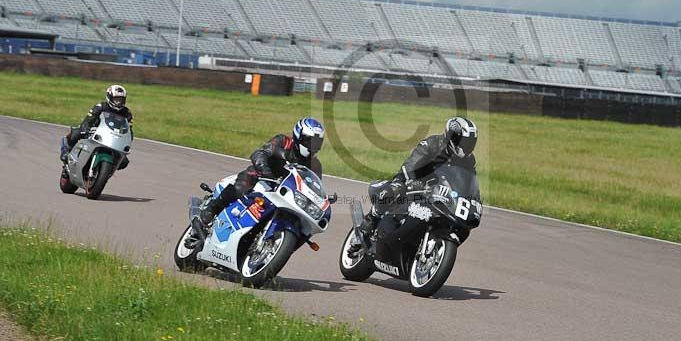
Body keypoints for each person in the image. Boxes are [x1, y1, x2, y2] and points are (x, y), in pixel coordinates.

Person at [192, 117, 325, 236]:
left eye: (316, 143)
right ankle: (209, 212)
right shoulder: (283, 141)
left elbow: (313, 185)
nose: (312, 146)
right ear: (298, 135)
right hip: (260, 176)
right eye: (309, 141)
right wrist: (265, 171)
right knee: (239, 189)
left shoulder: (315, 165)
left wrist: (322, 198)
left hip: (284, 192)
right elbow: (259, 153)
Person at [358, 117, 478, 237]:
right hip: (414, 182)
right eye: (463, 141)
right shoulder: (432, 143)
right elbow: (412, 162)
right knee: (394, 189)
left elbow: (468, 182)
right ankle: (372, 218)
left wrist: (473, 198)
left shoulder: (469, 160)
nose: (466, 146)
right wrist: (411, 179)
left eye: (469, 143)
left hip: (439, 192)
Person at [61, 85, 133, 165]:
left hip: (112, 138)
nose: (119, 102)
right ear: (109, 97)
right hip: (95, 132)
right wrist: (86, 128)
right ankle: (66, 151)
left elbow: (129, 130)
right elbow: (88, 120)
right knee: (76, 133)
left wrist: (127, 141)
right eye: (116, 100)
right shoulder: (100, 107)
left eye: (121, 100)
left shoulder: (127, 113)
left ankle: (107, 172)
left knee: (124, 162)